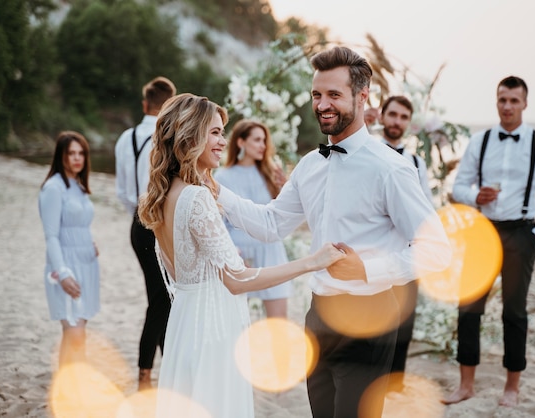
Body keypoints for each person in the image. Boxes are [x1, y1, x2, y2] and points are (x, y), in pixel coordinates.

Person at [217, 46, 452, 417]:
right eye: (316, 94)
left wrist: (368, 270)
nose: (322, 104)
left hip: (370, 317)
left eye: (334, 95)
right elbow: (270, 224)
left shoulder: (391, 169)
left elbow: (438, 250)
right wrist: (216, 191)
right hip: (318, 316)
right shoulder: (310, 166)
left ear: (362, 97)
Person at [137, 93, 347, 418]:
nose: (223, 141)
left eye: (223, 132)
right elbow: (236, 280)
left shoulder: (164, 196)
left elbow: (182, 273)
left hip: (184, 321)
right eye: (215, 132)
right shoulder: (195, 197)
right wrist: (312, 261)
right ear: (190, 135)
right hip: (211, 326)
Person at [447, 76, 535, 406]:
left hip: (521, 234)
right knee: (469, 308)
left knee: (514, 312)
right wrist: (476, 195)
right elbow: (459, 188)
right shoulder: (480, 141)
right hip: (483, 231)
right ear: (496, 101)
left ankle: (512, 387)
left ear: (525, 104)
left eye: (514, 100)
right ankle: (466, 385)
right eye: (502, 99)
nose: (507, 106)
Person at [115, 76, 176, 390]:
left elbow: (123, 193)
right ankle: (147, 373)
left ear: (144, 104)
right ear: (169, 104)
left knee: (162, 297)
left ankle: (158, 371)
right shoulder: (169, 134)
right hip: (161, 226)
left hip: (138, 226)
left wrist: (140, 217)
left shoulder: (126, 139)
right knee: (161, 298)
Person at [376, 95, 435, 392]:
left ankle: (395, 385)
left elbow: (426, 209)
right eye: (393, 115)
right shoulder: (368, 154)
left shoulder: (416, 163)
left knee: (403, 326)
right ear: (381, 116)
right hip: (373, 257)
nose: (397, 121)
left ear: (408, 124)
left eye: (403, 117)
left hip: (407, 258)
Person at [214, 119, 291, 319]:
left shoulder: (270, 173)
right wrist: (233, 253)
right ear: (241, 142)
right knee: (238, 323)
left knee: (279, 322)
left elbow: (282, 214)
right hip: (241, 257)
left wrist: (285, 188)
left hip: (271, 253)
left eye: (264, 140)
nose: (263, 146)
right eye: (257, 140)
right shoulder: (223, 177)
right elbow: (220, 224)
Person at [39, 131, 99, 368]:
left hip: (87, 264)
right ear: (60, 156)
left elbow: (79, 222)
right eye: (71, 153)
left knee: (77, 332)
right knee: (75, 333)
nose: (77, 158)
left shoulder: (78, 185)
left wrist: (90, 242)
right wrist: (62, 273)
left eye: (81, 153)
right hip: (66, 265)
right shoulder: (53, 188)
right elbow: (51, 236)